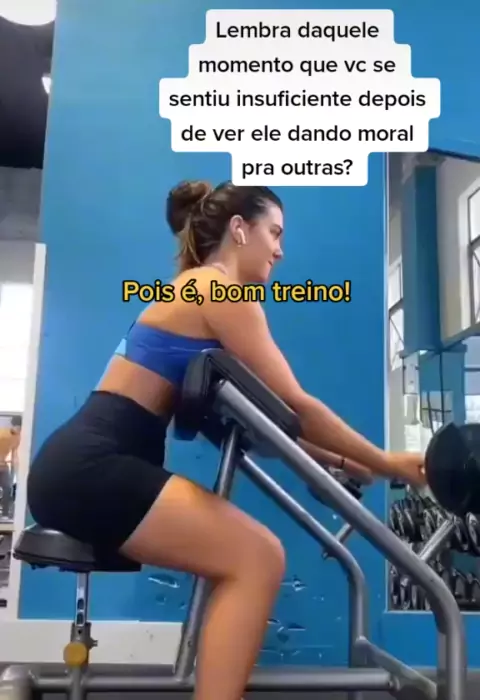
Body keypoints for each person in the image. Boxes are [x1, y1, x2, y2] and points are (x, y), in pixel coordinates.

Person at [27, 180, 425, 700]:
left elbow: (270, 424)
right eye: (274, 233)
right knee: (256, 557)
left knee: (252, 554)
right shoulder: (220, 290)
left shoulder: (198, 291)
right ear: (240, 229)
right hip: (91, 466)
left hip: (79, 466)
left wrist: (343, 461)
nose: (280, 250)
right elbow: (298, 405)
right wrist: (391, 462)